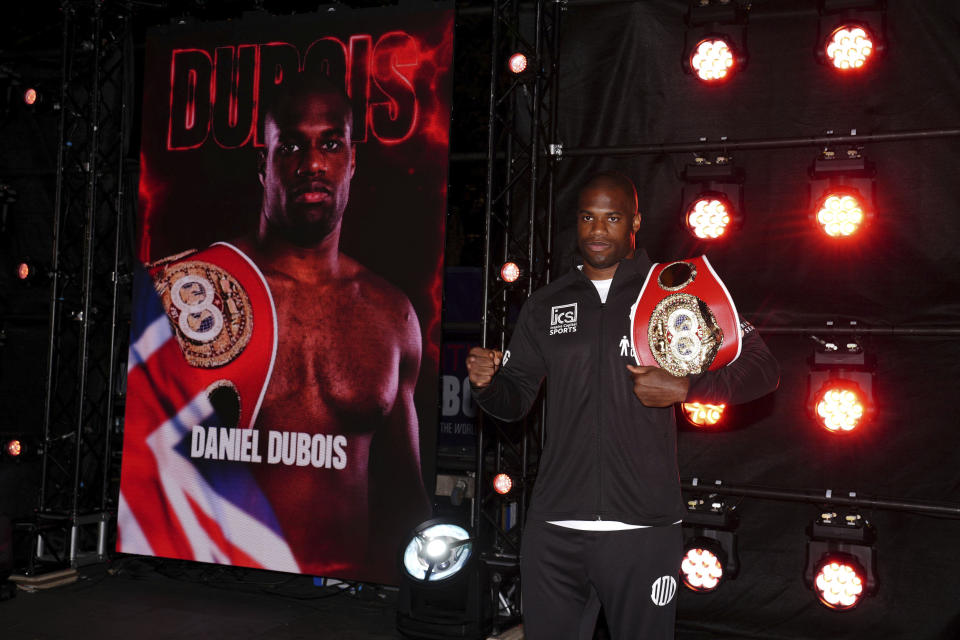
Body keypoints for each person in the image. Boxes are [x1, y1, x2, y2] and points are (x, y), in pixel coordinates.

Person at [466, 172, 779, 639]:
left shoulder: (674, 290)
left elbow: (762, 368)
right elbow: (514, 402)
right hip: (555, 529)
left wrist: (688, 389)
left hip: (643, 528)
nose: (597, 230)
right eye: (587, 217)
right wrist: (488, 385)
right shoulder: (546, 305)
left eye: (611, 217)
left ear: (635, 220)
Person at [229, 74, 431, 583]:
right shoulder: (206, 294)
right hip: (211, 585)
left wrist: (415, 590)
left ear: (352, 160)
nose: (313, 164)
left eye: (331, 144)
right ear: (263, 163)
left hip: (345, 606)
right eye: (292, 145)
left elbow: (404, 492)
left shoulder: (390, 313)